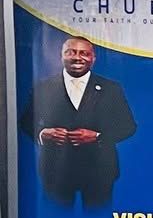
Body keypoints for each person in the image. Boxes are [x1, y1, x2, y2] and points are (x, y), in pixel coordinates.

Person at [19, 35, 136, 209]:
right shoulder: (43, 87)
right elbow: (26, 122)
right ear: (61, 56)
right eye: (71, 52)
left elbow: (128, 126)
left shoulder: (111, 88)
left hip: (100, 172)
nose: (77, 57)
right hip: (56, 171)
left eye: (84, 53)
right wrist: (43, 134)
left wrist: (98, 137)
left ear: (93, 59)